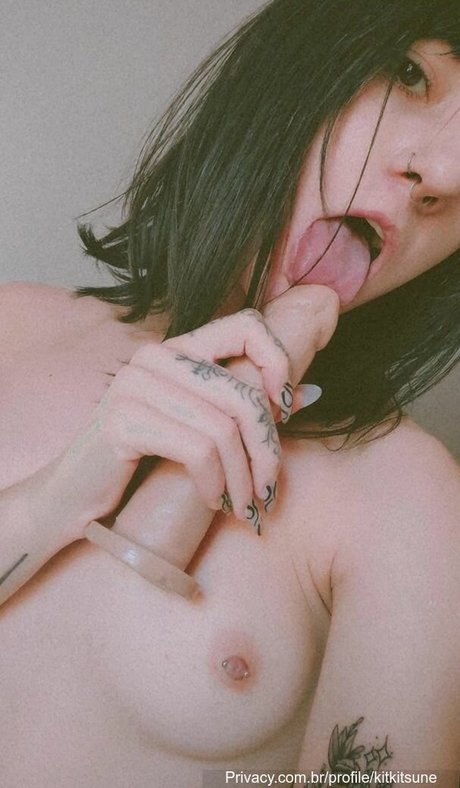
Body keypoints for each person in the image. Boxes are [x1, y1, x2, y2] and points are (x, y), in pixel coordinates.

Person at [0, 0, 459, 785]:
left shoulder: (412, 501)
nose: (443, 174)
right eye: (412, 74)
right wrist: (53, 501)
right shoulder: (12, 325)